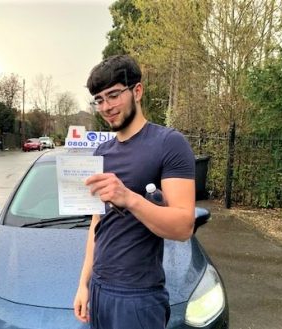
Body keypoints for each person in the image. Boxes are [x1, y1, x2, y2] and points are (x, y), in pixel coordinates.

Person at [73, 55, 196, 329]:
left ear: (137, 91)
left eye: (114, 95)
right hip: (100, 290)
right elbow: (97, 224)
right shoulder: (101, 152)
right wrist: (84, 284)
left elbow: (183, 226)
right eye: (99, 100)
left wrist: (128, 197)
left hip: (138, 297)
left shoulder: (169, 144)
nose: (106, 107)